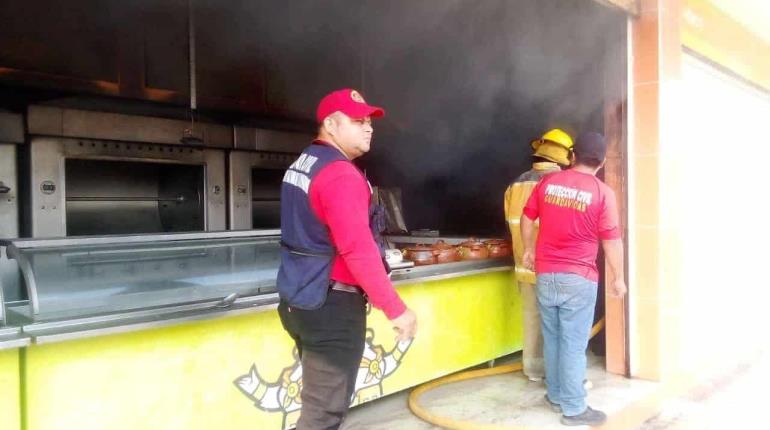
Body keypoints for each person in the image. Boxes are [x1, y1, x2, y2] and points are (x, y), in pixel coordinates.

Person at [276, 88, 418, 430]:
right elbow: (357, 248)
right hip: (331, 306)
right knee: (323, 416)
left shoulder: (304, 163)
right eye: (357, 121)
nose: (368, 128)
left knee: (318, 404)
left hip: (299, 298)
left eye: (368, 121)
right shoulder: (340, 174)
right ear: (330, 124)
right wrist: (396, 309)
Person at [520, 132, 626, 426]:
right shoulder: (603, 192)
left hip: (546, 275)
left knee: (553, 339)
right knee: (573, 345)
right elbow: (612, 241)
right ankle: (574, 408)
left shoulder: (548, 184)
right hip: (579, 278)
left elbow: (527, 217)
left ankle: (555, 395)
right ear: (602, 161)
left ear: (572, 157)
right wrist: (618, 277)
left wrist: (528, 249)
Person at [504, 128, 573, 382]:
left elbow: (511, 221)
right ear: (564, 156)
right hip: (552, 265)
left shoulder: (515, 184)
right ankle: (560, 376)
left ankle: (533, 371)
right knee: (559, 322)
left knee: (532, 320)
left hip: (524, 264)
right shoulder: (560, 183)